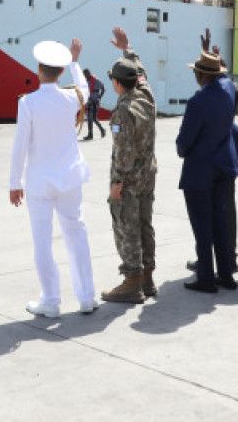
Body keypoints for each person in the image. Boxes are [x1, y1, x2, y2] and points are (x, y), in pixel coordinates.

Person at [9, 38, 97, 317]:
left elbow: (20, 145)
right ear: (60, 72)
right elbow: (85, 89)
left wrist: (14, 183)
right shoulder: (71, 98)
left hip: (40, 182)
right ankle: (86, 297)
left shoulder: (28, 103)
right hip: (70, 178)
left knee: (42, 241)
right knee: (77, 234)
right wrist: (75, 61)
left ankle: (50, 301)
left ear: (39, 70)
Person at [100, 28, 158, 304]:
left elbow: (123, 152)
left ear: (117, 83)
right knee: (145, 224)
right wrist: (128, 49)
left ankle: (132, 281)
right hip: (148, 174)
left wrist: (117, 184)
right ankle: (147, 278)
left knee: (127, 226)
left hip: (130, 179)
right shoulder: (146, 96)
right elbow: (141, 74)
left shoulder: (122, 111)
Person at [176, 49, 238, 292]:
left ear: (201, 75)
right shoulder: (229, 89)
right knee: (220, 223)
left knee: (202, 226)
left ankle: (206, 277)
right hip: (224, 164)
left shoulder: (198, 101)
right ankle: (225, 274)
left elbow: (185, 141)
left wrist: (181, 148)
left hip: (201, 169)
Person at [82, 69, 107, 141]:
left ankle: (102, 129)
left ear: (89, 73)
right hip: (88, 102)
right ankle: (90, 135)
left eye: (86, 74)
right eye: (84, 75)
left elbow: (103, 89)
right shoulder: (85, 82)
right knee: (89, 118)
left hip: (95, 102)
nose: (85, 76)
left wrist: (100, 97)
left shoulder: (96, 81)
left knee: (94, 118)